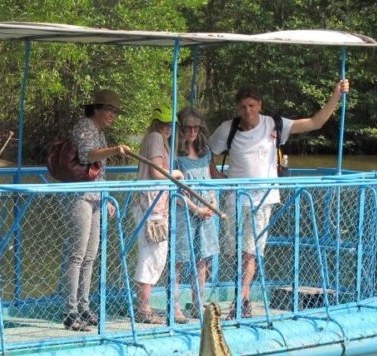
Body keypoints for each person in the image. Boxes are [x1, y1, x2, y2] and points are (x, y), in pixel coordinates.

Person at [209, 80, 350, 319]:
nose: (248, 111)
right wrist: (217, 177)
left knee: (250, 253)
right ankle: (241, 298)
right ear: (237, 108)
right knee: (235, 253)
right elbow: (206, 152)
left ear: (260, 105)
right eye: (243, 107)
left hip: (263, 200)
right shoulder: (228, 128)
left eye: (252, 106)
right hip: (235, 199)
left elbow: (315, 122)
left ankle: (241, 301)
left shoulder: (273, 124)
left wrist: (336, 95)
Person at [62, 89, 130, 331]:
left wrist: (107, 197)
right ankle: (70, 311)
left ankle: (84, 307)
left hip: (96, 198)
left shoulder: (99, 132)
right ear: (98, 109)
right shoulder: (84, 126)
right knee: (77, 255)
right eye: (110, 110)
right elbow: (87, 155)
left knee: (90, 256)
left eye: (114, 111)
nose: (113, 115)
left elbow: (99, 171)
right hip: (80, 196)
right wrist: (115, 150)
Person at [133, 104, 184, 325]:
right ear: (156, 124)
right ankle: (143, 308)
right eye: (164, 124)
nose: (168, 128)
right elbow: (157, 172)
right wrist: (176, 173)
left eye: (171, 124)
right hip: (151, 205)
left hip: (155, 204)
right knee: (152, 255)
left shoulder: (157, 139)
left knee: (155, 254)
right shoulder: (154, 138)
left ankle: (144, 306)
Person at [175, 108, 222, 322]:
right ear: (182, 129)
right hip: (185, 210)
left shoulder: (205, 152)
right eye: (188, 128)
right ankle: (174, 306)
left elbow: (209, 180)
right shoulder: (176, 154)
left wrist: (211, 204)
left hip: (205, 210)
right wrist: (196, 208)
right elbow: (175, 190)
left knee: (202, 259)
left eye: (195, 127)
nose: (192, 131)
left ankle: (197, 303)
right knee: (178, 259)